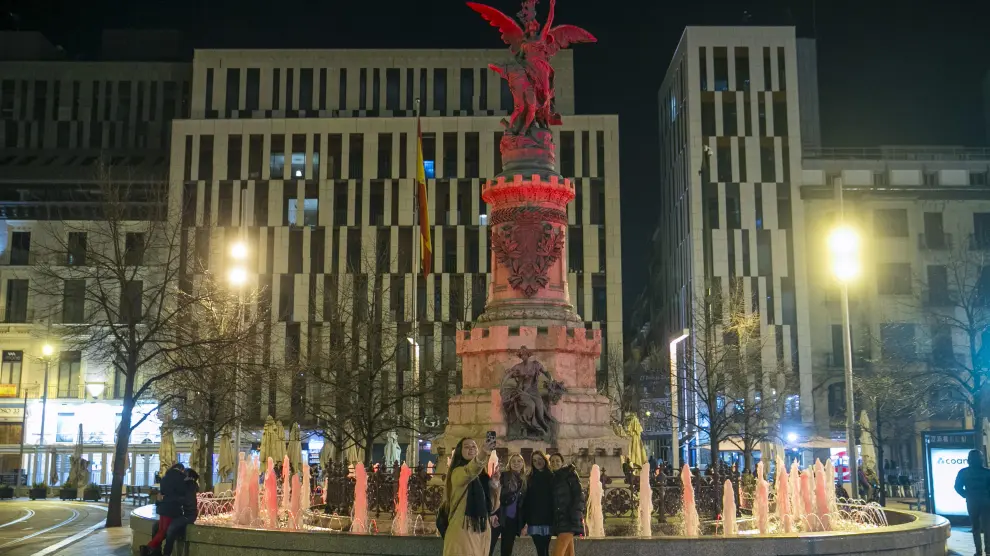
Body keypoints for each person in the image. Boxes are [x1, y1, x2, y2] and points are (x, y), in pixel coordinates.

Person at [443, 437, 500, 556]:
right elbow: (470, 472)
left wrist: (494, 485)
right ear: (459, 451)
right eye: (467, 447)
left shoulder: (482, 477)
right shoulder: (457, 473)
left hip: (482, 529)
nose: (471, 449)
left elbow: (492, 507)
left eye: (474, 446)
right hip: (462, 528)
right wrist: (483, 454)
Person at [141, 463, 185, 556]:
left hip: (163, 508)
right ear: (181, 469)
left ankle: (149, 550)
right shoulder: (180, 478)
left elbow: (161, 494)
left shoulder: (165, 477)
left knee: (161, 530)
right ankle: (147, 548)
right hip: (171, 509)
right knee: (163, 531)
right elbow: (181, 494)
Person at [955, 449, 990, 556]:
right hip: (986, 502)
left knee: (975, 528)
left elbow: (957, 487)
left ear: (969, 460)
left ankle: (978, 551)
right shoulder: (987, 472)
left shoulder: (963, 472)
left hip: (972, 502)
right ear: (981, 459)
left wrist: (966, 495)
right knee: (988, 527)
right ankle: (988, 551)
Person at [489, 454, 526, 556]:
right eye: (513, 461)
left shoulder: (524, 480)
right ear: (509, 464)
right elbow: (493, 494)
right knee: (489, 547)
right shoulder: (503, 475)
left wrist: (524, 523)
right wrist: (492, 513)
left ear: (523, 464)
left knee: (507, 550)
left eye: (519, 461)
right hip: (499, 516)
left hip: (512, 520)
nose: (516, 463)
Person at [549, 453, 583, 556]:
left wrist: (575, 514)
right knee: (569, 553)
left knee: (558, 553)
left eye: (557, 460)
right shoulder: (553, 478)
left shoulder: (570, 474)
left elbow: (578, 495)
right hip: (559, 521)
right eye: (552, 461)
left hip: (569, 519)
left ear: (562, 462)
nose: (555, 463)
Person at [162, 468, 200, 556]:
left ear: (190, 478)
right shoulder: (182, 486)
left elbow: (181, 500)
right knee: (156, 526)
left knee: (171, 528)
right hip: (178, 515)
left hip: (188, 516)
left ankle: (166, 553)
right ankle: (154, 551)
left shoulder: (191, 486)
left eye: (184, 475)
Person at [522, 452, 553, 556]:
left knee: (546, 548)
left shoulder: (552, 476)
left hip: (548, 518)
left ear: (544, 460)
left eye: (540, 459)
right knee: (540, 548)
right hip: (534, 519)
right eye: (534, 460)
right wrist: (526, 519)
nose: (537, 462)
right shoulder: (529, 478)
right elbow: (527, 500)